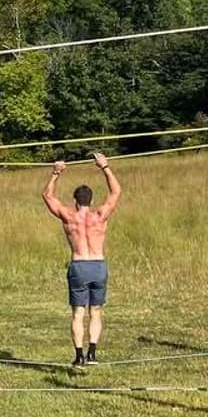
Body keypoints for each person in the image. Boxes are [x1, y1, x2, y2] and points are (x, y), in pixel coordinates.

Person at [42, 152, 121, 368]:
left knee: (78, 313)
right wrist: (105, 167)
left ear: (75, 201)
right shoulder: (100, 216)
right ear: (91, 200)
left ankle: (79, 356)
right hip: (98, 265)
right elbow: (116, 192)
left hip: (79, 266)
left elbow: (48, 196)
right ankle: (92, 354)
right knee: (95, 310)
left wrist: (56, 174)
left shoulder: (69, 216)